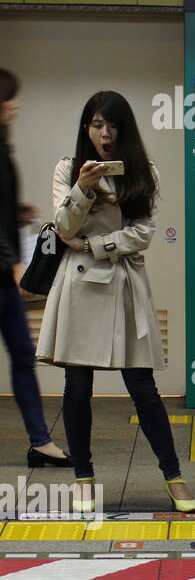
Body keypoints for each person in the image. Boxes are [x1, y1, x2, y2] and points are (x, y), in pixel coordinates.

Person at [36, 91, 195, 512]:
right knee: (77, 386)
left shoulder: (145, 172)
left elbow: (143, 232)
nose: (104, 134)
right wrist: (83, 190)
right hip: (79, 289)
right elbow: (62, 225)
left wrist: (92, 244)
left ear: (124, 130)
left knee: (143, 388)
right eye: (96, 125)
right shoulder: (68, 170)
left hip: (124, 284)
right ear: (85, 129)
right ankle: (83, 478)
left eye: (112, 125)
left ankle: (174, 476)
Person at [0, 70, 71, 468]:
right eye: (10, 99)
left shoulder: (3, 147)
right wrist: (11, 263)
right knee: (22, 355)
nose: (16, 106)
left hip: (3, 276)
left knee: (24, 355)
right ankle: (40, 439)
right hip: (2, 273)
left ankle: (40, 440)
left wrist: (16, 212)